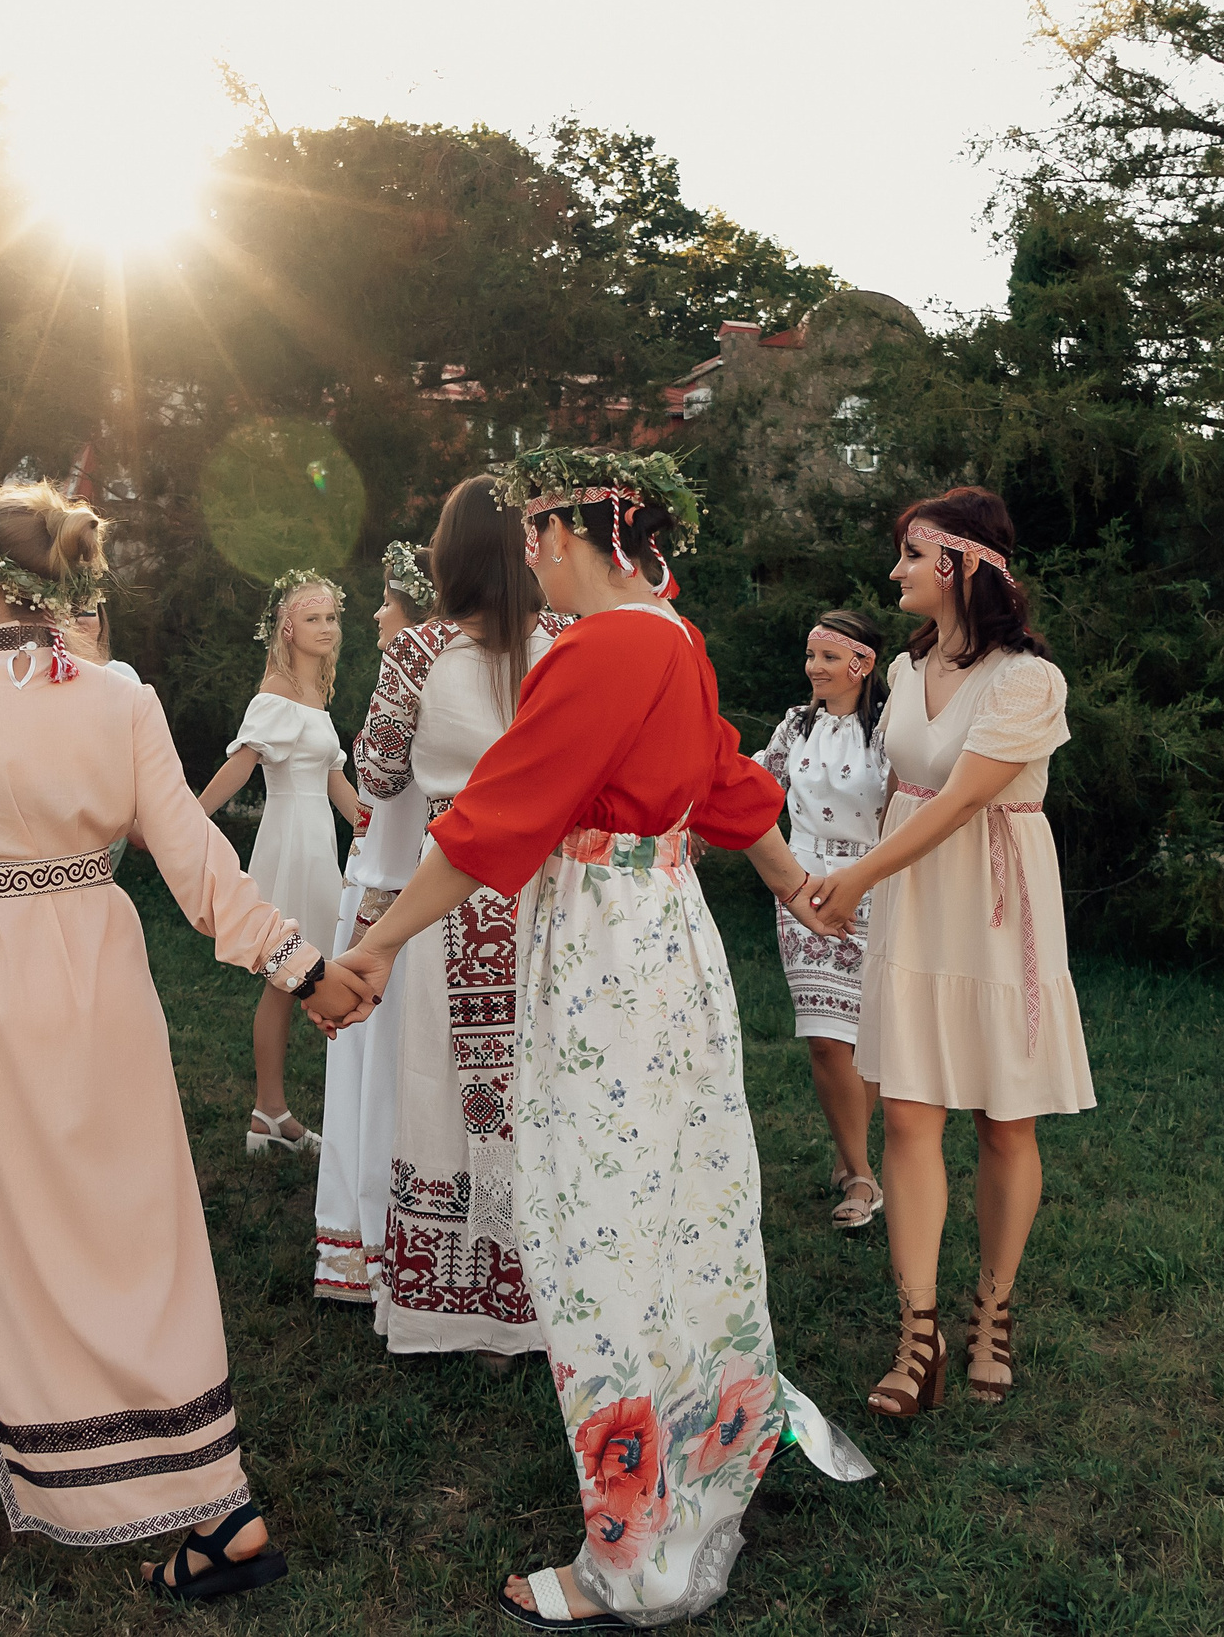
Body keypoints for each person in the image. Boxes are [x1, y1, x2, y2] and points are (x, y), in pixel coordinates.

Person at [327, 449, 875, 1630]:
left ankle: (630, 1550)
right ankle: (705, 1439)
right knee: (674, 1197)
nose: (524, 557)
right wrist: (796, 888)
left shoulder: (601, 645)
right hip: (659, 938)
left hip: (603, 949)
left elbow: (499, 813)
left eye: (533, 533)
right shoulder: (667, 635)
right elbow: (727, 782)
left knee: (593, 1218)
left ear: (578, 533)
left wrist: (377, 946)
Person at [0, 478, 368, 1594]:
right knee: (135, 1232)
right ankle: (212, 1504)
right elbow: (198, 861)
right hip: (97, 970)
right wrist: (304, 968)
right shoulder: (119, 697)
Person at [807, 487, 1094, 1421]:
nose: (894, 571)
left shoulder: (1027, 680)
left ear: (960, 563)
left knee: (1006, 1120)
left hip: (997, 911)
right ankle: (918, 1331)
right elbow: (898, 785)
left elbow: (966, 798)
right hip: (915, 907)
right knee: (909, 1119)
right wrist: (828, 871)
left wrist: (855, 881)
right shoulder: (900, 667)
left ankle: (994, 1313)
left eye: (909, 554)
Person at [354, 484, 570, 1363]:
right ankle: (546, 1293)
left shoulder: (418, 650)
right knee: (546, 1079)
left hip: (454, 895)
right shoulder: (567, 645)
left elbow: (375, 769)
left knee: (449, 1083)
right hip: (556, 892)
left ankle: (462, 1304)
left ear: (450, 554)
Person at [197, 570, 363, 1154]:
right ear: (287, 628)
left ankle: (274, 1116)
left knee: (302, 977)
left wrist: (375, 831)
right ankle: (268, 1113)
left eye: (332, 618)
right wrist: (191, 818)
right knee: (284, 978)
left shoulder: (318, 696)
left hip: (321, 842)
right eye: (313, 618)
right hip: (292, 840)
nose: (327, 628)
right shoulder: (275, 692)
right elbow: (243, 763)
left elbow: (335, 779)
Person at [311, 542, 433, 1303]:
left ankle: (375, 1237)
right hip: (417, 888)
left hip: (390, 892)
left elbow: (381, 783)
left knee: (379, 1070)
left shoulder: (411, 666)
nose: (379, 615)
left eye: (389, 600)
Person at [757, 609, 891, 1230]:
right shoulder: (795, 726)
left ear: (861, 665)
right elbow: (758, 787)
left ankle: (849, 1155)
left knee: (865, 1038)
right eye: (811, 656)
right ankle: (863, 1175)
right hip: (805, 889)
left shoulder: (890, 731)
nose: (814, 667)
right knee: (825, 1037)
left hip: (877, 889)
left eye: (829, 657)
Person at [65, 601, 140, 684]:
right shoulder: (50, 679)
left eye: (88, 608)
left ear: (101, 621)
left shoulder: (120, 674)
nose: (79, 619)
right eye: (69, 610)